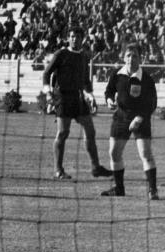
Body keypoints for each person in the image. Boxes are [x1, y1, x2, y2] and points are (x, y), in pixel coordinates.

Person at [41, 26, 113, 181]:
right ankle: (58, 170)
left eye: (78, 37)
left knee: (90, 130)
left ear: (83, 39)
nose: (75, 39)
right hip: (63, 98)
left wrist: (91, 95)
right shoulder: (61, 54)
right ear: (68, 38)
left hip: (78, 98)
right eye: (72, 36)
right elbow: (46, 73)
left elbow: (85, 80)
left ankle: (95, 167)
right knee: (63, 133)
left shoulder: (83, 56)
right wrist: (48, 93)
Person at [100, 44, 159, 199]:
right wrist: (109, 100)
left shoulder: (146, 79)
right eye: (128, 55)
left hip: (141, 119)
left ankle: (153, 190)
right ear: (123, 57)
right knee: (114, 153)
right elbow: (109, 90)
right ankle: (119, 189)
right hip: (121, 118)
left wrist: (139, 118)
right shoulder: (117, 74)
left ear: (141, 58)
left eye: (134, 56)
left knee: (145, 154)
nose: (131, 59)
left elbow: (152, 103)